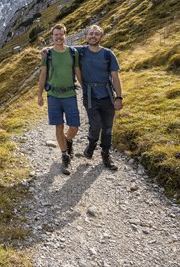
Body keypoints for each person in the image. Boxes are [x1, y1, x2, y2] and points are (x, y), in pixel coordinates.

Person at [37, 24, 82, 175]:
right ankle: (65, 156)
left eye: (61, 34)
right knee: (59, 126)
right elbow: (43, 75)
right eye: (55, 35)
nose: (58, 37)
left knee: (74, 126)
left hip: (69, 94)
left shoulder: (73, 52)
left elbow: (77, 71)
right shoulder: (48, 54)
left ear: (65, 35)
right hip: (54, 96)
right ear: (52, 37)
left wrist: (86, 89)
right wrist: (39, 95)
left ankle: (68, 141)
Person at [77, 25, 123, 171]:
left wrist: (119, 97)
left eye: (96, 34)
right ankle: (91, 144)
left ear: (101, 37)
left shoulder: (108, 54)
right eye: (91, 33)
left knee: (108, 128)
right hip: (90, 96)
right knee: (95, 125)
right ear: (87, 36)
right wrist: (47, 50)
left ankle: (106, 155)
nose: (93, 36)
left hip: (107, 95)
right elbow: (62, 48)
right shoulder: (81, 51)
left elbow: (115, 77)